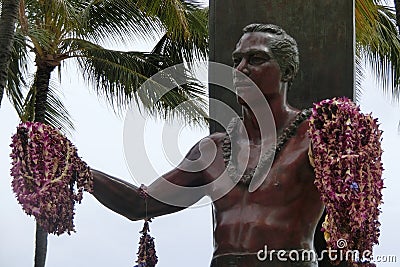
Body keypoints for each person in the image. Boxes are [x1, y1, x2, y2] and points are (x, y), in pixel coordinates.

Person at [91, 23, 324, 267]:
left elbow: (354, 217)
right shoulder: (211, 151)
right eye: (237, 61)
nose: (241, 69)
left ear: (287, 71)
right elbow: (140, 204)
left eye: (256, 59)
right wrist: (76, 170)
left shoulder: (316, 135)